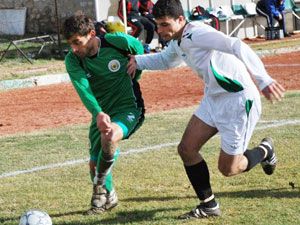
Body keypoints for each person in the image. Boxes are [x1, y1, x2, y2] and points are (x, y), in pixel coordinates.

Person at [127, 0, 285, 220]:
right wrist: (138, 61)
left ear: (181, 20)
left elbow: (236, 46)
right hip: (214, 99)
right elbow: (166, 60)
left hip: (239, 101)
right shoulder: (178, 40)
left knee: (229, 169)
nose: (160, 30)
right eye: (158, 25)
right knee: (187, 149)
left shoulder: (197, 33)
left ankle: (265, 150)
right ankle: (209, 205)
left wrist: (263, 79)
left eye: (165, 24)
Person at [63, 13, 145, 214]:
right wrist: (98, 113)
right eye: (70, 44)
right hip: (101, 114)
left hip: (128, 108)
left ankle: (98, 194)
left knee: (110, 136)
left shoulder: (117, 42)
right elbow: (83, 89)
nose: (74, 48)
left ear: (91, 34)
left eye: (77, 42)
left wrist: (137, 67)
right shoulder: (73, 60)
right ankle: (110, 195)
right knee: (94, 164)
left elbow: (140, 51)